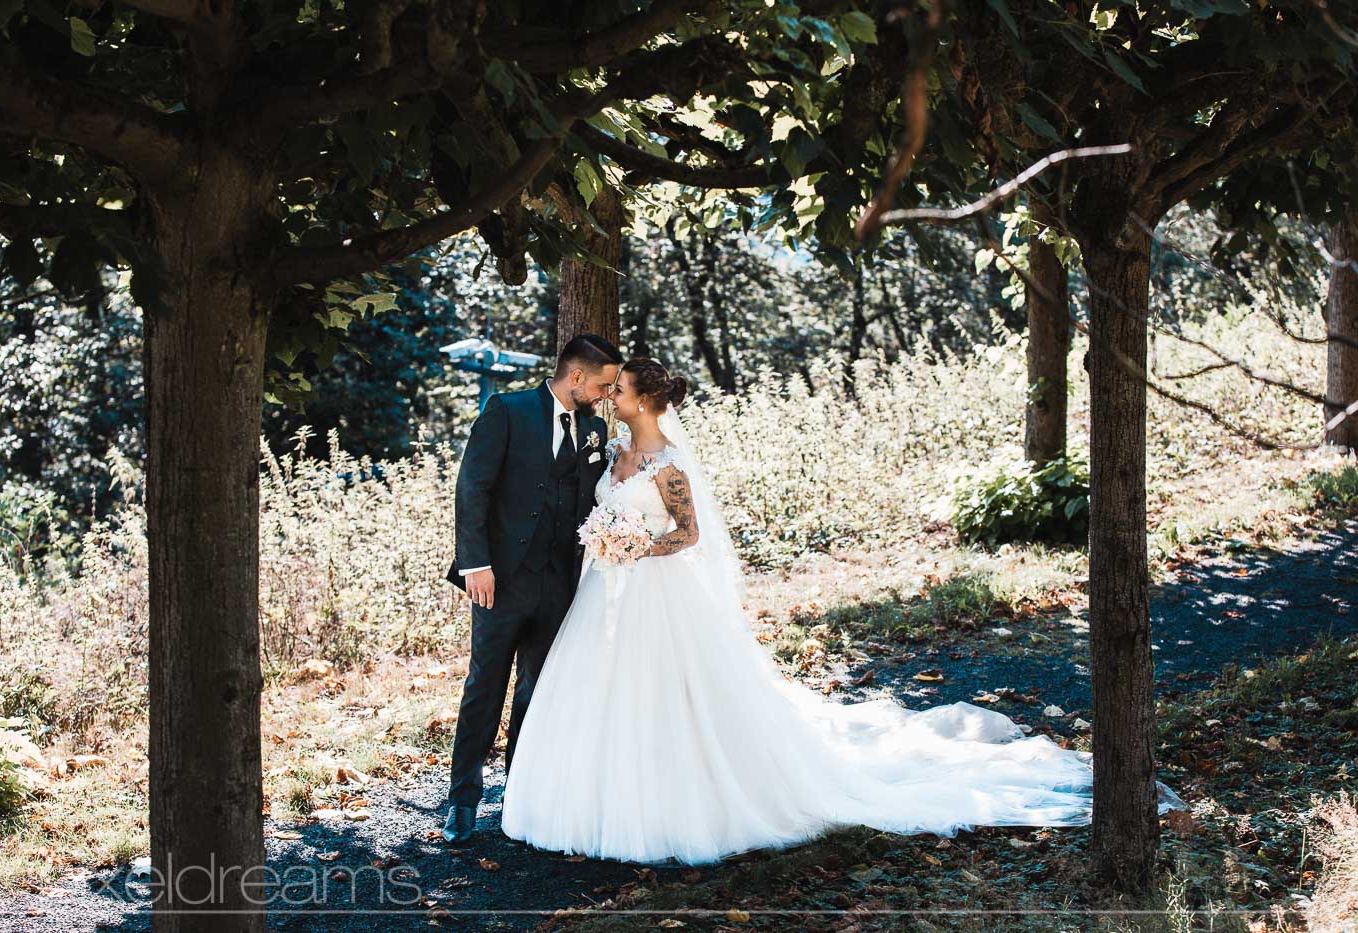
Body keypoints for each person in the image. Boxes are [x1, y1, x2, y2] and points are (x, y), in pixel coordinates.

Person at [498, 357, 1188, 864]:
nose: (608, 394)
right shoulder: (615, 449)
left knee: (671, 696)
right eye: (608, 386)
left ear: (645, 399)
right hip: (608, 598)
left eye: (618, 389)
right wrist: (605, 542)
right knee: (601, 692)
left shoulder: (670, 464)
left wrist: (634, 548)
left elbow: (689, 535)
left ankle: (669, 798)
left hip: (654, 593)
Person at [441, 333, 623, 844]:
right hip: (498, 580)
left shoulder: (592, 428)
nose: (608, 394)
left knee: (537, 689)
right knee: (486, 684)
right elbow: (472, 489)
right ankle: (462, 800)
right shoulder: (508, 410)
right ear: (577, 376)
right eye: (605, 384)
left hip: (561, 582)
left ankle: (520, 793)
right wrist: (475, 564)